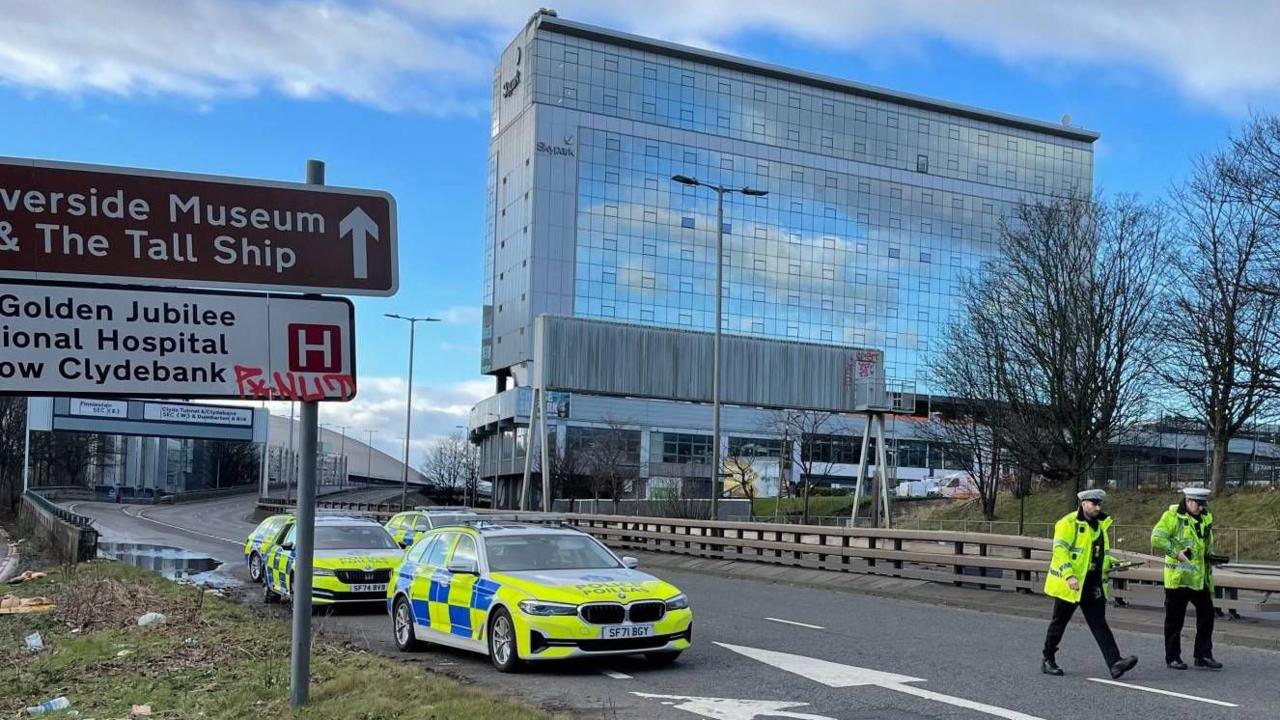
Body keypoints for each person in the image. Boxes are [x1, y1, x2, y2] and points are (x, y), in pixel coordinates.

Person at [1041, 489, 1139, 678]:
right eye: (1094, 503)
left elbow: (1097, 555)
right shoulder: (1068, 523)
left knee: (1099, 623)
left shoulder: (1100, 525)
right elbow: (1060, 551)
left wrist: (1114, 564)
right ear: (1083, 503)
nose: (1098, 507)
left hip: (1092, 582)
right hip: (1070, 584)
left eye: (1099, 504)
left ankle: (1115, 663)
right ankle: (1048, 659)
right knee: (1059, 622)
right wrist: (1069, 576)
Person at [1151, 486, 1223, 670]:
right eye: (1198, 504)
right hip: (1178, 577)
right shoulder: (1172, 516)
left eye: (1203, 504)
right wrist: (1175, 553)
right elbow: (1156, 538)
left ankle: (1203, 655)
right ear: (1189, 501)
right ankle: (1173, 657)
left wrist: (1211, 556)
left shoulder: (1206, 517)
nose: (1201, 508)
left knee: (1207, 616)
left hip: (1199, 578)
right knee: (1175, 621)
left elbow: (1206, 542)